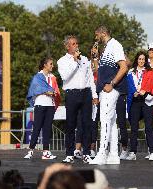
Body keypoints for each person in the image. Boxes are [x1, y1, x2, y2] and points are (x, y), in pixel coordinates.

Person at [90, 26, 128, 165]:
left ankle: (101, 153)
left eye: (97, 35)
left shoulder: (115, 45)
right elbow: (97, 69)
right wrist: (95, 57)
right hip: (104, 88)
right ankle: (113, 154)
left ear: (103, 33)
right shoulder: (106, 48)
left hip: (110, 88)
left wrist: (112, 84)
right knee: (111, 121)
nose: (96, 38)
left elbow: (124, 67)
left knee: (105, 119)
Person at [57, 35, 98, 164]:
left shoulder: (85, 59)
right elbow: (65, 76)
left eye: (76, 43)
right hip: (72, 93)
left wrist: (94, 95)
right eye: (73, 44)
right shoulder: (62, 61)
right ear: (67, 46)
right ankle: (69, 153)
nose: (76, 46)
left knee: (87, 124)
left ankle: (86, 153)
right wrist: (75, 62)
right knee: (70, 124)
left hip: (86, 93)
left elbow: (90, 77)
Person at [125, 51, 153, 161]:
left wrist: (145, 92)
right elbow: (129, 86)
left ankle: (152, 152)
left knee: (149, 126)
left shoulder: (150, 72)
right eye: (139, 59)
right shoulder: (131, 72)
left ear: (145, 60)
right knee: (134, 127)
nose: (141, 61)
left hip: (147, 100)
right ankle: (133, 152)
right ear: (136, 60)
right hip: (135, 100)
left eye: (143, 59)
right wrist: (134, 92)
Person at [24, 57, 60, 160]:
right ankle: (30, 151)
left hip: (50, 105)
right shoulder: (37, 77)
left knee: (47, 129)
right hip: (40, 104)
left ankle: (46, 152)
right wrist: (46, 91)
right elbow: (36, 89)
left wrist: (50, 92)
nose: (52, 66)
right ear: (45, 65)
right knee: (37, 127)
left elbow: (54, 91)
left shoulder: (53, 77)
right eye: (51, 64)